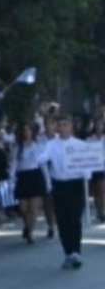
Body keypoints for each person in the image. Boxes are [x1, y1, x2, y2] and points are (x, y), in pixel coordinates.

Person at [37, 114, 90, 269]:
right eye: (59, 125)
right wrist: (42, 159)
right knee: (63, 220)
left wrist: (87, 172)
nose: (62, 128)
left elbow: (88, 162)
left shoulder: (80, 144)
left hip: (75, 184)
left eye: (65, 125)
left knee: (74, 219)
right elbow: (44, 157)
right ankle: (68, 252)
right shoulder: (52, 144)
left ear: (71, 127)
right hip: (59, 185)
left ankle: (76, 252)